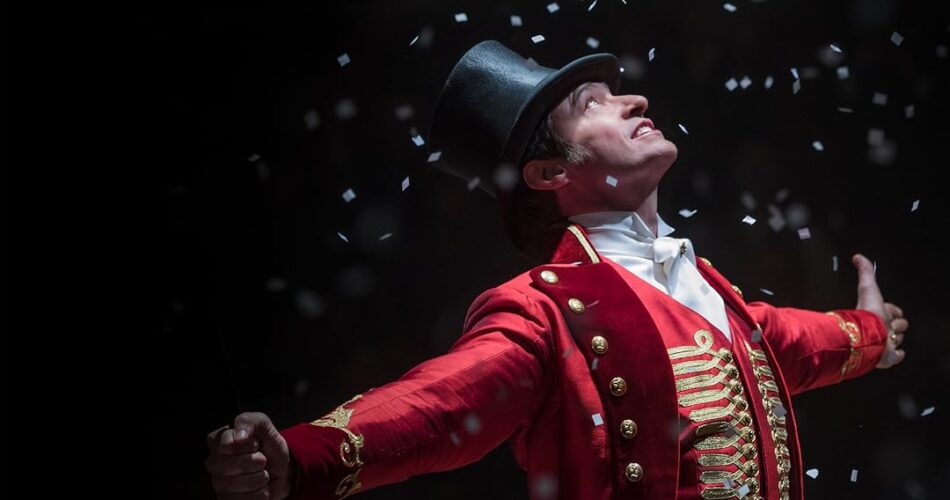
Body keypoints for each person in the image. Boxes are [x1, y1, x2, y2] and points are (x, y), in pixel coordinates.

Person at [205, 40, 908, 500]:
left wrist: (871, 331)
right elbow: (439, 405)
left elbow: (792, 340)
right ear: (549, 173)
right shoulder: (547, 310)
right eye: (592, 105)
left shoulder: (707, 287)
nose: (635, 100)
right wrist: (299, 458)